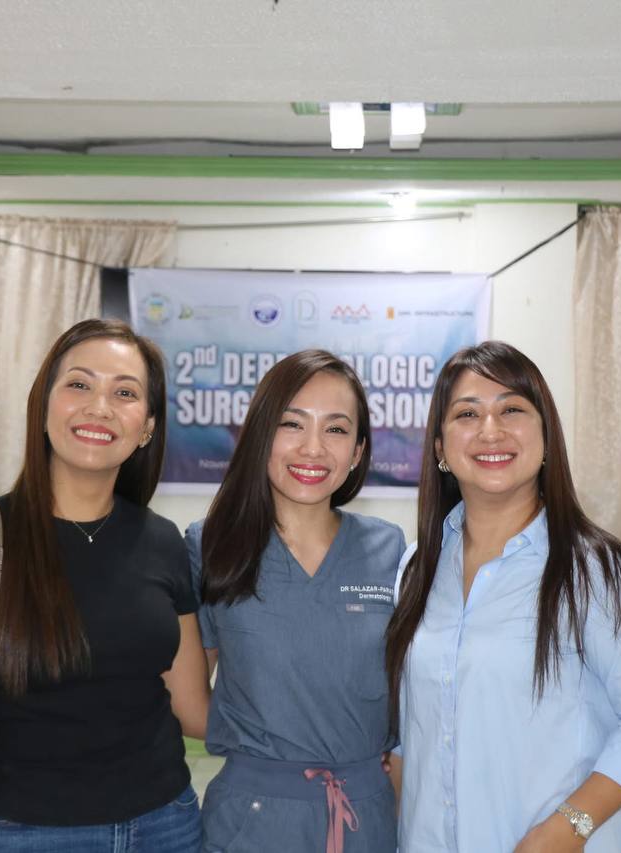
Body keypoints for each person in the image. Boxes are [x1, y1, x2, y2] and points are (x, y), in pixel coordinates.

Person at [0, 319, 209, 853]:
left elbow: (194, 708)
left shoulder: (164, 541)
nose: (100, 407)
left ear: (147, 427)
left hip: (166, 827)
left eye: (125, 393)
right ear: (43, 407)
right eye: (79, 384)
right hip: (22, 833)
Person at [385, 341, 621, 853]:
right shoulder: (417, 568)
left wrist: (569, 827)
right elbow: (410, 732)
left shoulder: (598, 571)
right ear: (439, 447)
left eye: (512, 410)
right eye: (467, 414)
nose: (491, 430)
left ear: (546, 437)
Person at [186, 349, 405, 853]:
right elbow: (189, 701)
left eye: (336, 429)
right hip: (251, 820)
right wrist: (276, 746)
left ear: (358, 451)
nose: (313, 448)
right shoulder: (210, 545)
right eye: (292, 424)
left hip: (366, 816)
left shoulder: (390, 549)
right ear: (260, 436)